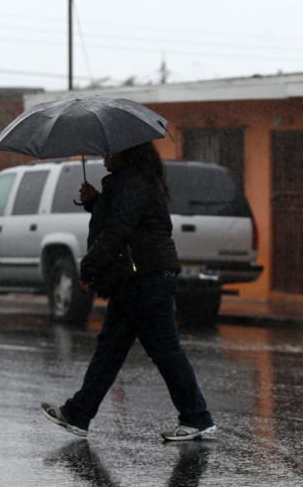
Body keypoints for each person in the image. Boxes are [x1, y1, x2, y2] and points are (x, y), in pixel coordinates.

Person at [41, 142, 216, 442]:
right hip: (134, 279)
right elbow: (126, 222)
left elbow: (118, 230)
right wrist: (96, 201)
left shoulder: (134, 182)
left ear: (128, 153)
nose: (104, 157)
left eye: (111, 152)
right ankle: (78, 414)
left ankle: (198, 418)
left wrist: (89, 266)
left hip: (147, 279)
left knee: (165, 351)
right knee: (109, 350)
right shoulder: (132, 182)